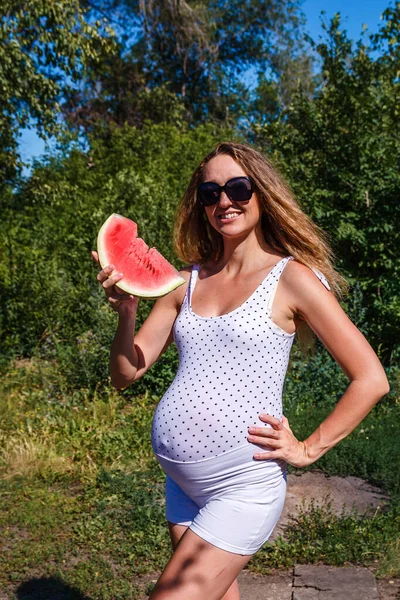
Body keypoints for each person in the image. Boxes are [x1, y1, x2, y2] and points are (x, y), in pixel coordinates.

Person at [92, 141, 389, 600]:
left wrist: (308, 449)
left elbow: (371, 378)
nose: (224, 201)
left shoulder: (292, 278)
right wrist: (126, 313)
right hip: (183, 483)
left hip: (243, 484)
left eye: (237, 188)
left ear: (262, 192)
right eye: (210, 193)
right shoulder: (184, 281)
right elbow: (126, 373)